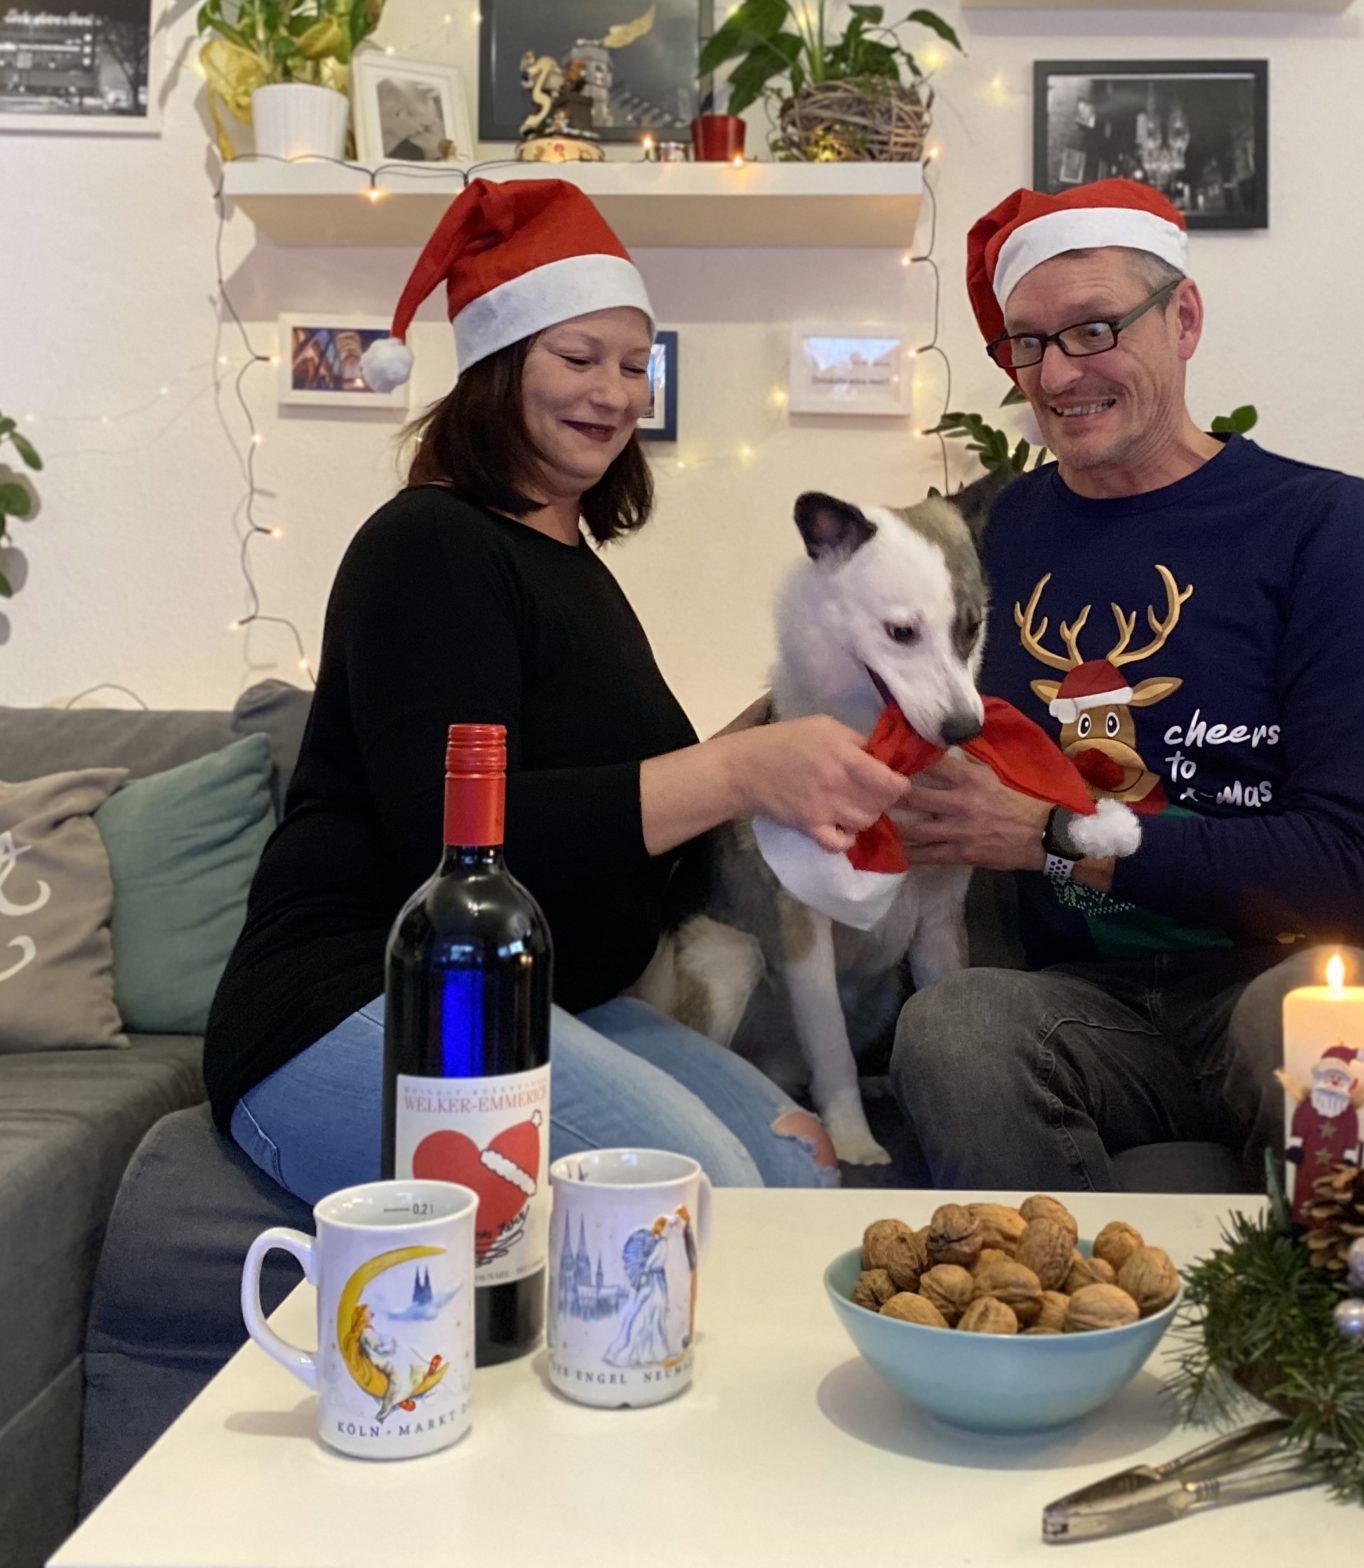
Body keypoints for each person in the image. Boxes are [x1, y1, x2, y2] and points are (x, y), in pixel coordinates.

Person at [205, 177, 908, 1200]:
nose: (613, 393)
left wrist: (788, 732)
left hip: (549, 996)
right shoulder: (430, 544)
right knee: (691, 1191)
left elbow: (612, 809)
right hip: (367, 997)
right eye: (577, 358)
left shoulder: (575, 567)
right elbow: (453, 842)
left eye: (632, 365)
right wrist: (737, 772)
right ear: (496, 367)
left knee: (798, 1171)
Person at [891, 178, 1364, 1190]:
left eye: (1094, 329)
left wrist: (1051, 835)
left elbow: (1351, 867)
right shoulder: (989, 532)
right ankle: (1056, 1289)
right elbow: (855, 667)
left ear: (1182, 320)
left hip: (1290, 971)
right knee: (955, 1025)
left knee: (1324, 1019)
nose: (1058, 373)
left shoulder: (1321, 526)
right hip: (1086, 1008)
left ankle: (1333, 1292)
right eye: (1029, 343)